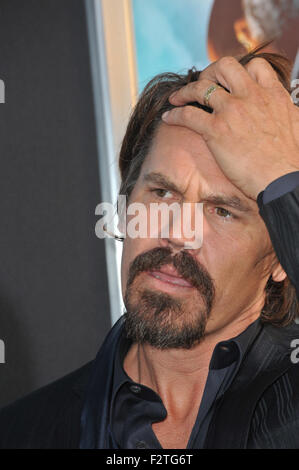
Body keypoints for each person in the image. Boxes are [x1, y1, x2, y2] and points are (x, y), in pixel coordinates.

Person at [0, 46, 299, 449]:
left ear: (280, 254)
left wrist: (281, 179)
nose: (178, 233)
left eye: (223, 211)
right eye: (161, 192)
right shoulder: (24, 433)